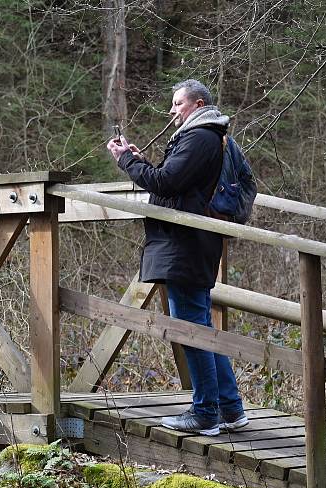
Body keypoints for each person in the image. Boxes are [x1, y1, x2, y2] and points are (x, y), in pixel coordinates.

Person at [106, 79, 248, 436]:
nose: (172, 111)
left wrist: (126, 161)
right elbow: (178, 182)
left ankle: (205, 413)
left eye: (177, 104)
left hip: (185, 244)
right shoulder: (209, 136)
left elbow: (166, 183)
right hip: (194, 242)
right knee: (201, 326)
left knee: (191, 329)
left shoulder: (200, 137)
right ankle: (230, 409)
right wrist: (140, 161)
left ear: (198, 104)